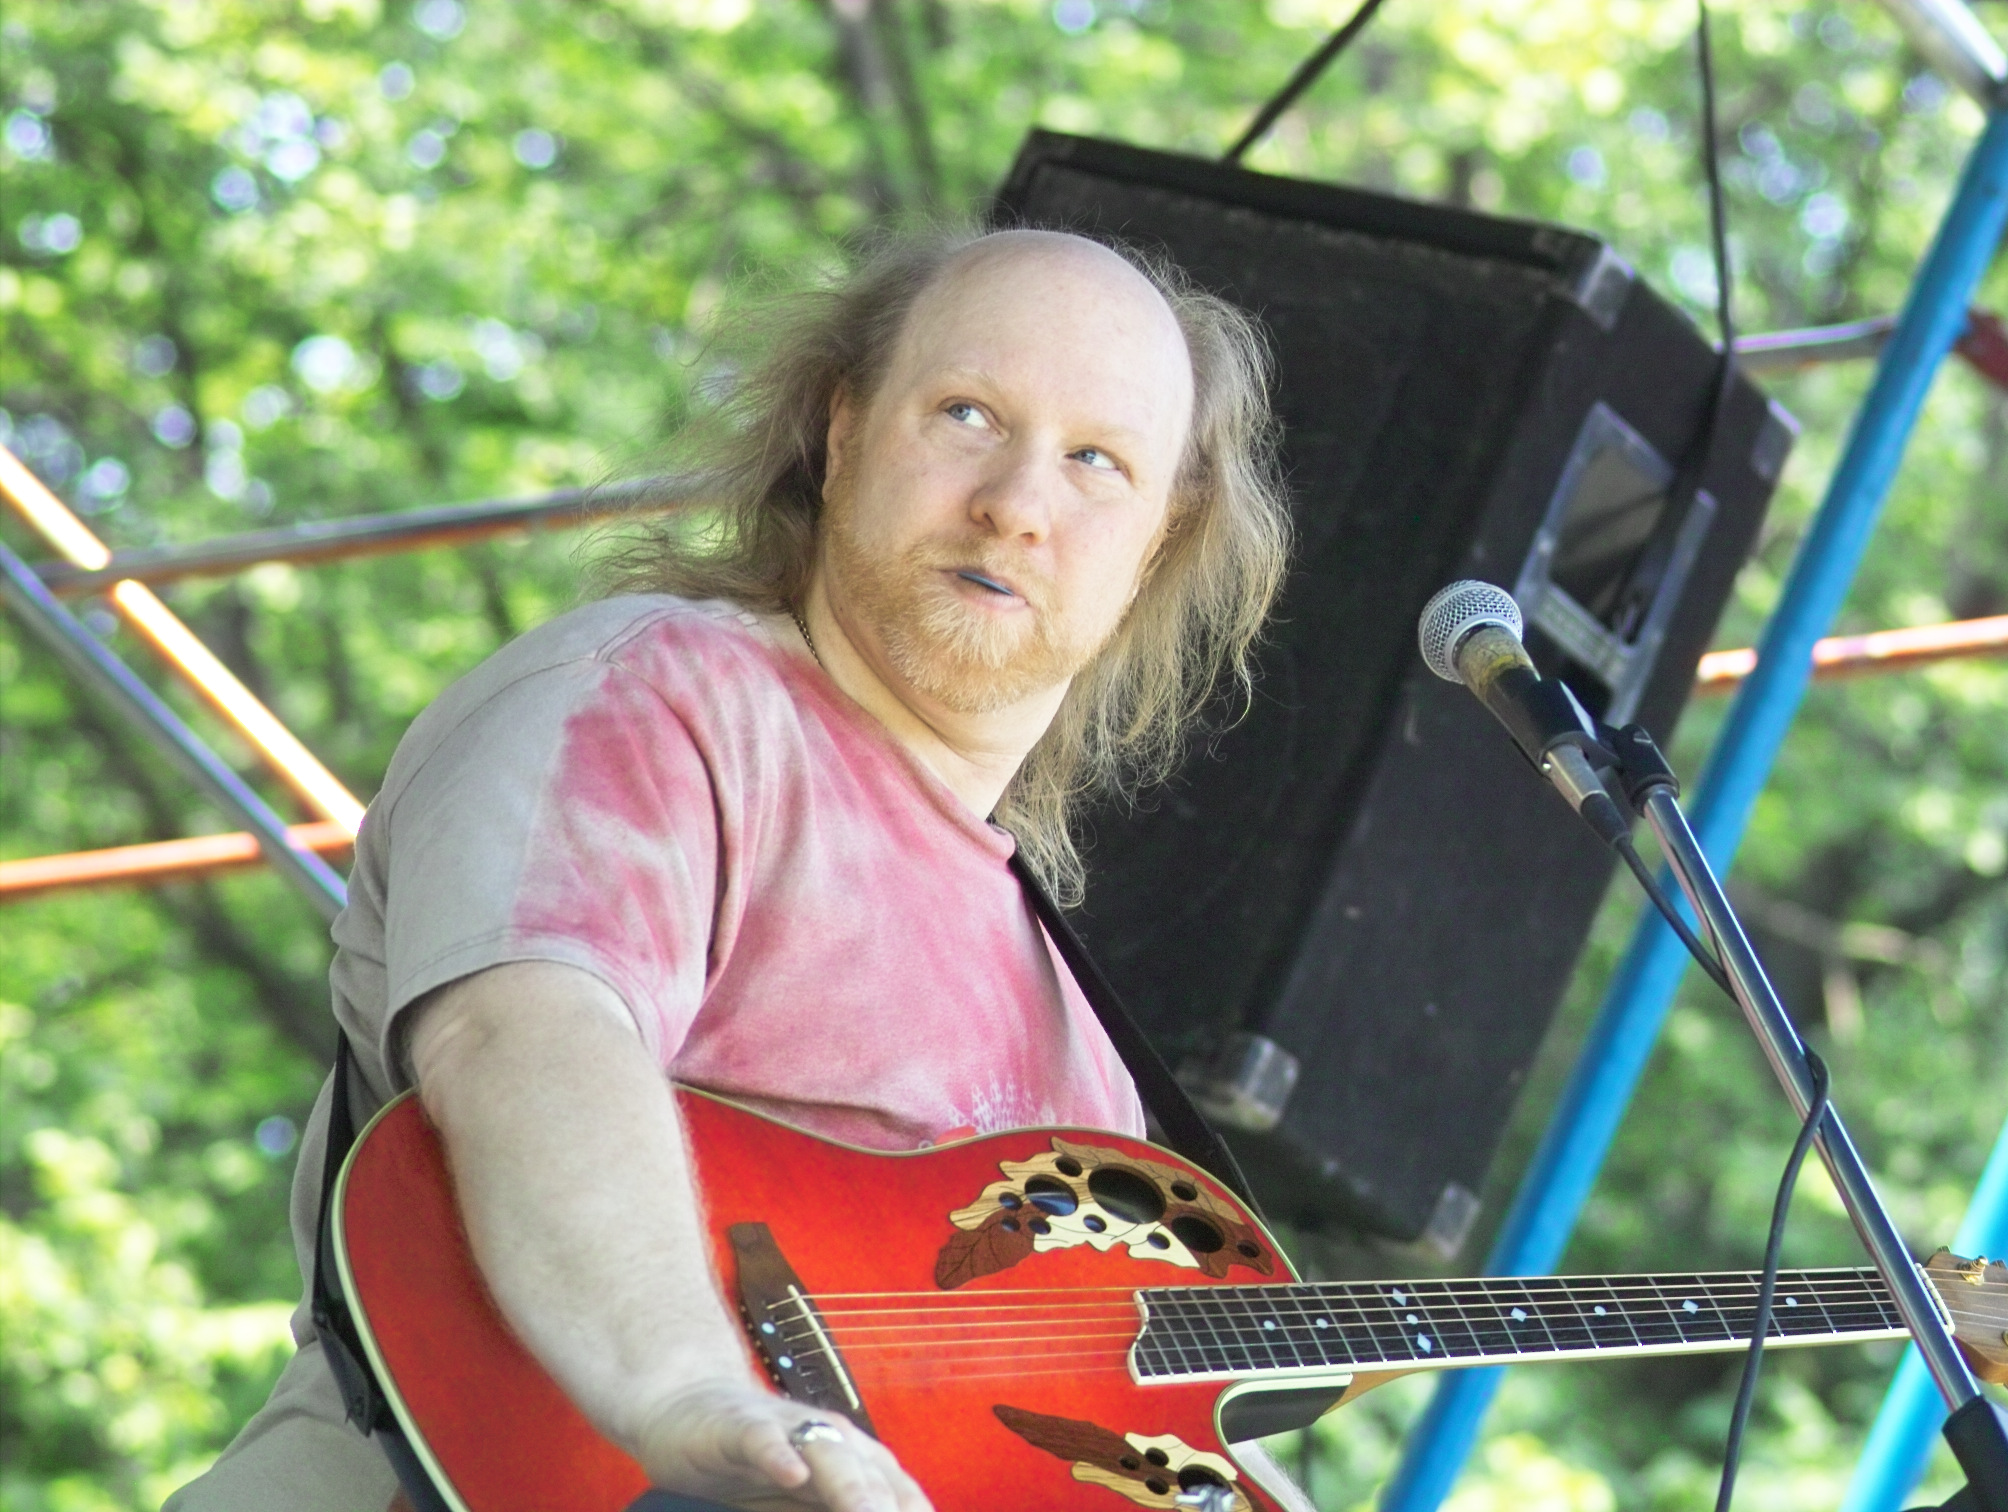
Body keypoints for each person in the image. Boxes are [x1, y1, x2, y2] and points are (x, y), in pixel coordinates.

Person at [165, 226, 1294, 1512]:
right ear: (843, 426)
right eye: (968, 415)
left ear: (1159, 538)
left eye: (1098, 461)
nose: (1018, 504)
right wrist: (693, 1392)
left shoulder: (1083, 1062)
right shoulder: (657, 696)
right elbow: (524, 1034)